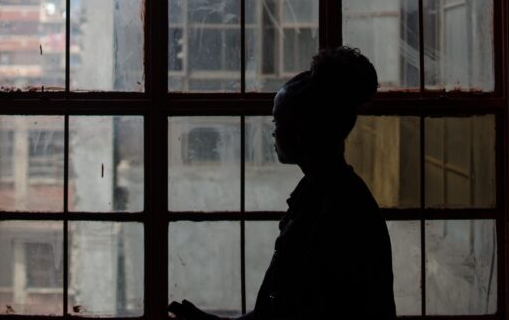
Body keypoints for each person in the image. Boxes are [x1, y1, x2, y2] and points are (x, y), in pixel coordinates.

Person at [168, 46, 396, 320]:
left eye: (278, 120)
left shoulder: (337, 211)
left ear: (303, 129)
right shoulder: (326, 195)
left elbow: (297, 316)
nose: (273, 131)